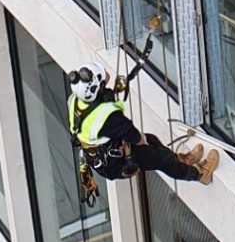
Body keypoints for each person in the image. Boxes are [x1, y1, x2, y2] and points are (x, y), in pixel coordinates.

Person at [67, 61, 218, 184]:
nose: (106, 74)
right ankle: (199, 175)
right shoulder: (107, 116)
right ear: (97, 88)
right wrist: (143, 144)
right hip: (116, 164)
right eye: (102, 78)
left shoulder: (75, 100)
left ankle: (180, 161)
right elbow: (135, 136)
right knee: (159, 159)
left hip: (106, 151)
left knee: (152, 140)